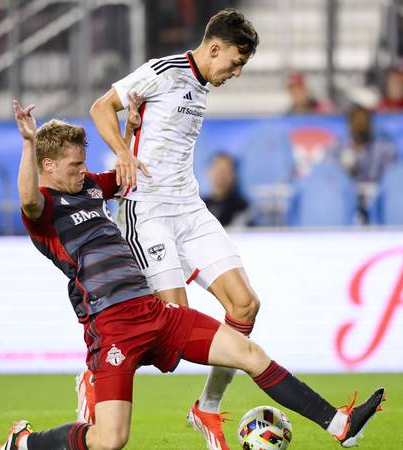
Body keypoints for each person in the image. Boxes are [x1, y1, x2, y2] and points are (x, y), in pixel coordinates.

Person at [0, 100, 385, 450]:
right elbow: (28, 199)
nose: (83, 170)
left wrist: (131, 130)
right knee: (110, 439)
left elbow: (125, 176)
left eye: (84, 163)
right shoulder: (43, 210)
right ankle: (24, 443)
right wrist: (29, 142)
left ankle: (340, 424)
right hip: (112, 325)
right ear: (48, 166)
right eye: (75, 166)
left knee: (249, 353)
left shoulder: (88, 188)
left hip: (155, 313)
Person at [88, 9, 266, 448]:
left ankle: (206, 407)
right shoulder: (163, 71)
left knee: (245, 305)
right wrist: (123, 153)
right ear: (215, 48)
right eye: (236, 62)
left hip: (189, 209)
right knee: (170, 333)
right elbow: (100, 107)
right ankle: (96, 375)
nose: (237, 73)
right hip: (148, 211)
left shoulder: (201, 87)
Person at [330, 105, 396, 222]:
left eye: (364, 121)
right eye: (357, 121)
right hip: (344, 204)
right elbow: (329, 178)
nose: (361, 124)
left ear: (371, 124)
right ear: (349, 124)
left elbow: (392, 181)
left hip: (376, 205)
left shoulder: (384, 150)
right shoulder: (337, 150)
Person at [202, 153, 249, 227]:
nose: (220, 175)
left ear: (234, 175)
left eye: (225, 171)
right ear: (208, 172)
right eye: (217, 170)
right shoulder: (201, 205)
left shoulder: (242, 208)